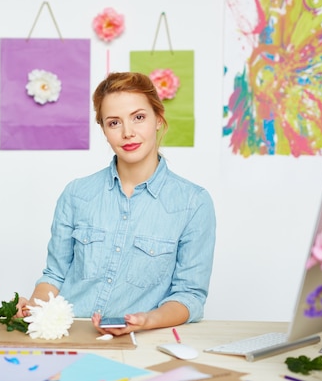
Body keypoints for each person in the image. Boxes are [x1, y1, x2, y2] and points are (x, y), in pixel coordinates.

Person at [16, 72, 216, 336]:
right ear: (103, 129)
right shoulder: (76, 194)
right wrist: (35, 307)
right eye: (114, 123)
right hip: (70, 336)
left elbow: (190, 296)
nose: (128, 133)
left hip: (144, 342)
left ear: (158, 118)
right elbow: (54, 275)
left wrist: (146, 320)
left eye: (139, 117)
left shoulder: (194, 203)